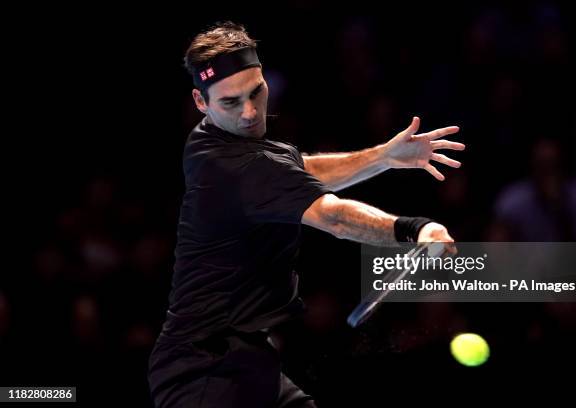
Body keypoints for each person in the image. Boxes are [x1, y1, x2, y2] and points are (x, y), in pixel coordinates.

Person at [148, 21, 465, 408]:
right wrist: (414, 229)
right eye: (231, 102)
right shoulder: (231, 165)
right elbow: (333, 217)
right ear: (201, 102)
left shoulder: (214, 142)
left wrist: (384, 156)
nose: (250, 112)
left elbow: (305, 171)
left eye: (256, 93)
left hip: (249, 362)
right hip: (202, 375)